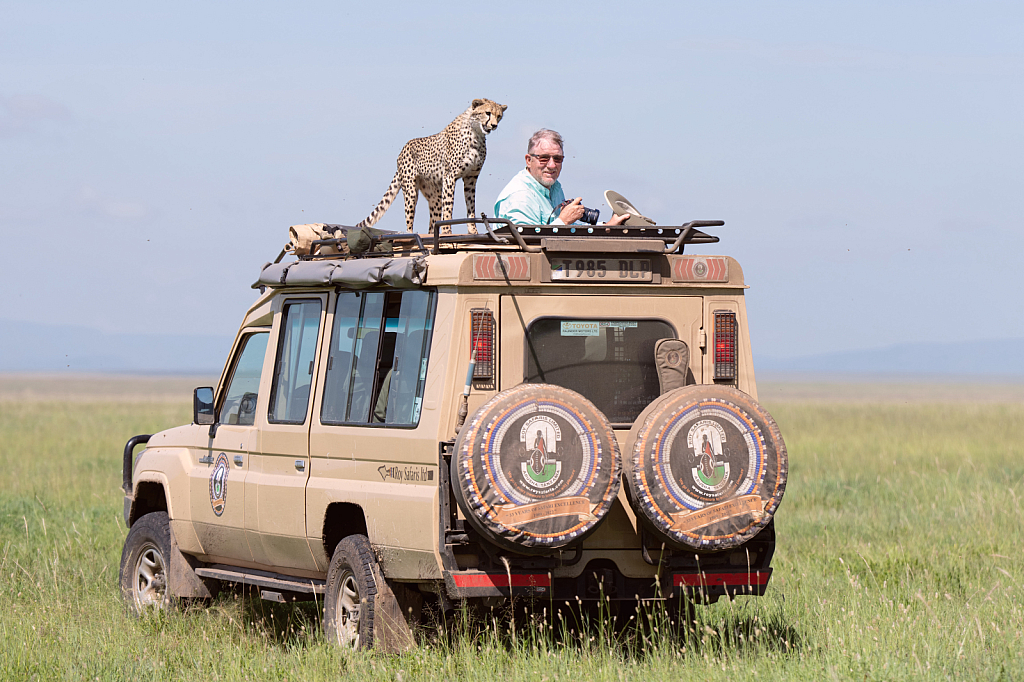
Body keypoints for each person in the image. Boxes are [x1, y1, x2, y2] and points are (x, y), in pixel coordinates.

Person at [493, 129, 630, 226]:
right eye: (544, 158)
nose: (552, 165)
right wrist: (563, 221)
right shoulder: (520, 196)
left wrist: (606, 227)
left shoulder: (554, 188)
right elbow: (527, 243)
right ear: (528, 160)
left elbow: (567, 230)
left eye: (557, 159)